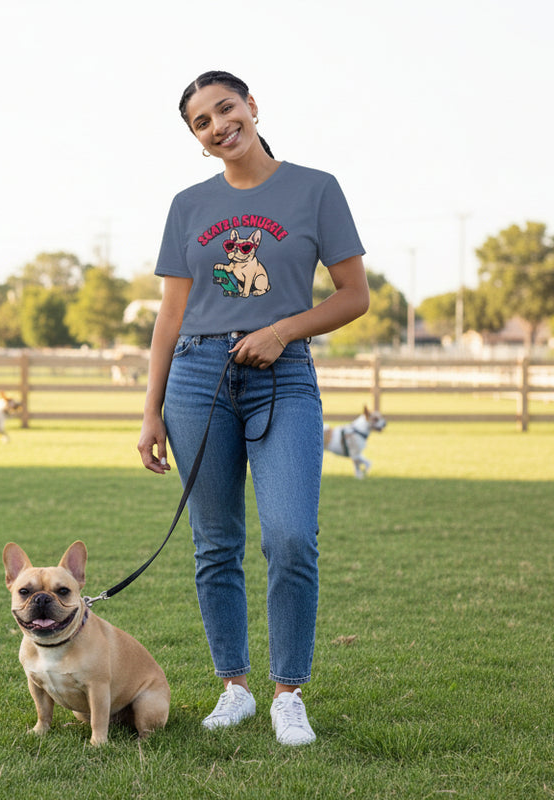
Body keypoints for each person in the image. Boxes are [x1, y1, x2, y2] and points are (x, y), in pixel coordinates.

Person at [137, 70, 369, 746]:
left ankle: (288, 694)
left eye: (226, 108)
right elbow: (170, 315)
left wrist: (282, 332)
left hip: (283, 374)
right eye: (202, 122)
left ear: (252, 106)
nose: (219, 126)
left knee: (291, 536)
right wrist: (150, 410)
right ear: (197, 138)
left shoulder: (316, 189)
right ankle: (234, 688)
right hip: (196, 378)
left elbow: (353, 295)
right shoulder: (188, 205)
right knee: (215, 542)